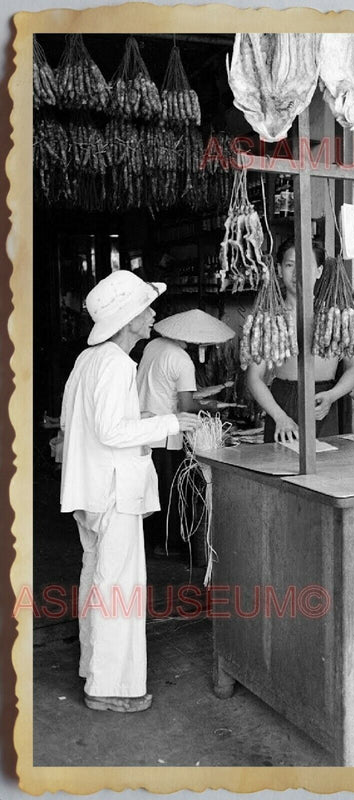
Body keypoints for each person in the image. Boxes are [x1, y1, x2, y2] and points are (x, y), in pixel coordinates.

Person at [60, 270, 199, 713]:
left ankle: (94, 669)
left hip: (91, 488)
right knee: (120, 587)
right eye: (145, 308)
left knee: (97, 581)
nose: (153, 313)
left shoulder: (89, 361)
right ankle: (111, 689)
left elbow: (76, 423)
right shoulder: (116, 363)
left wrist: (142, 417)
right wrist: (171, 423)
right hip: (114, 491)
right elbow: (111, 429)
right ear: (128, 320)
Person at [136, 310, 235, 556]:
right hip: (167, 433)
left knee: (151, 488)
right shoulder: (182, 360)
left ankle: (150, 541)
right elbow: (187, 406)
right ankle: (167, 545)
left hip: (144, 428)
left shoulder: (153, 345)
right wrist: (210, 406)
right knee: (170, 491)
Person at [247, 238, 354, 443]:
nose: (297, 273)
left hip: (325, 401)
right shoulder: (271, 319)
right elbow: (254, 377)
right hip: (284, 400)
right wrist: (279, 416)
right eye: (290, 265)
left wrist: (332, 395)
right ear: (280, 270)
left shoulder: (334, 317)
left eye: (305, 266)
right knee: (281, 469)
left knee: (329, 469)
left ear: (318, 271)